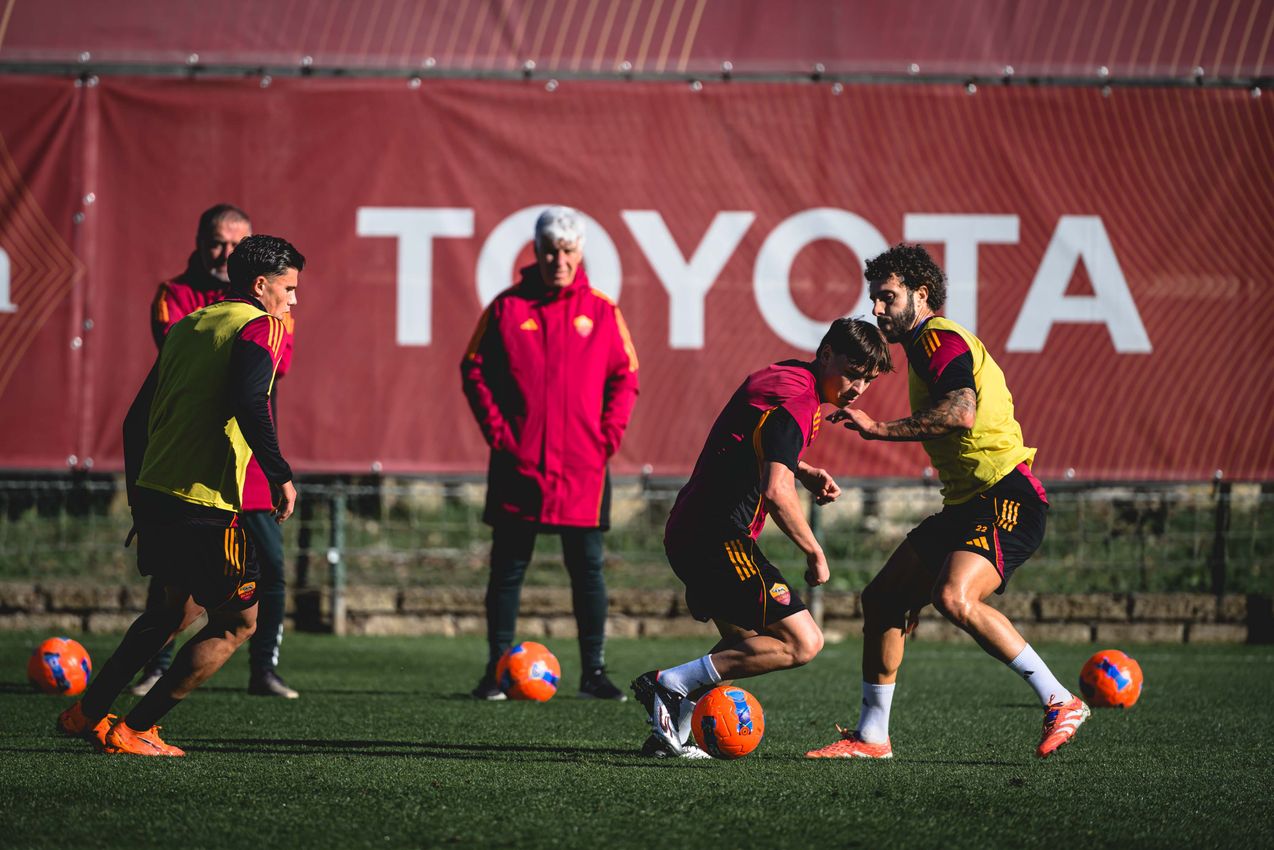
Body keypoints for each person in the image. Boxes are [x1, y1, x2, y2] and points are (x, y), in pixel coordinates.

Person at [805, 243, 1089, 761]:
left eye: (887, 298)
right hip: (967, 504)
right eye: (874, 299)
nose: (876, 309)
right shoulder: (920, 350)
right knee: (884, 599)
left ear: (921, 294)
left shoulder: (937, 337)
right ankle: (872, 738)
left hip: (1007, 496)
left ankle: (1060, 699)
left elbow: (960, 412)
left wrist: (878, 429)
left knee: (954, 598)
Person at [55, 235, 303, 756]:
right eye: (289, 288)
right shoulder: (263, 326)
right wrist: (280, 473)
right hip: (204, 504)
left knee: (171, 613)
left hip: (157, 493)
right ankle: (137, 728)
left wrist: (137, 498)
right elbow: (251, 401)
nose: (293, 300)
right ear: (261, 286)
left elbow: (132, 420)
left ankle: (87, 712)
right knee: (238, 623)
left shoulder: (189, 325)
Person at [632, 317, 893, 757]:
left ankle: (669, 733)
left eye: (868, 379)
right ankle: (669, 684)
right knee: (802, 641)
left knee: (746, 643)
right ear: (826, 353)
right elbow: (775, 492)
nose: (857, 388)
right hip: (716, 536)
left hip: (693, 529)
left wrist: (802, 469)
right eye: (852, 372)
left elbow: (749, 435)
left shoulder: (786, 376)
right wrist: (815, 552)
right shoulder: (798, 399)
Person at [461, 206, 639, 701]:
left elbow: (626, 377)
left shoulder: (603, 310)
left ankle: (594, 673)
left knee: (587, 570)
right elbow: (472, 369)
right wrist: (500, 433)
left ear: (580, 253)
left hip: (584, 468)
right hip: (519, 465)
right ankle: (497, 672)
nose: (558, 260)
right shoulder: (506, 308)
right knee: (507, 569)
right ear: (535, 252)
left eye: (567, 251)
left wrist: (606, 439)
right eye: (549, 251)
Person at [132, 204, 300, 699]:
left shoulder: (274, 308)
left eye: (235, 245)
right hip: (192, 465)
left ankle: (264, 669)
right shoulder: (180, 299)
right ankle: (153, 671)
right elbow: (196, 368)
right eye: (216, 243)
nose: (224, 253)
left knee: (269, 565)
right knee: (173, 581)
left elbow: (273, 369)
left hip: (248, 462)